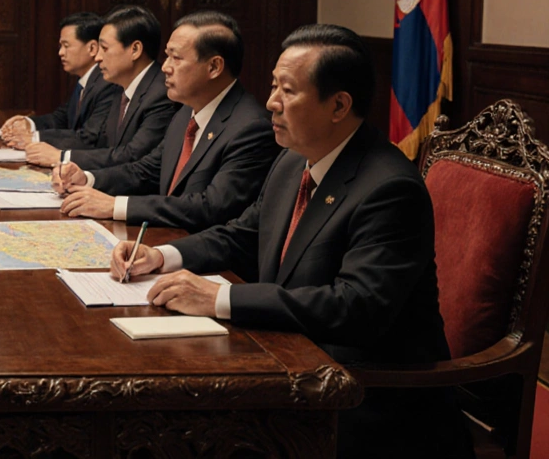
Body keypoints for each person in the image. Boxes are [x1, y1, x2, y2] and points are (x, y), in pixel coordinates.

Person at [111, 24, 471, 459]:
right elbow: (242, 233)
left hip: (367, 398)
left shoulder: (389, 188)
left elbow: (355, 306)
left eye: (287, 90)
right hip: (292, 362)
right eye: (272, 86)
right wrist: (161, 255)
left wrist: (220, 298)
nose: (270, 103)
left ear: (339, 105)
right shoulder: (292, 160)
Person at [52, 11, 278, 234]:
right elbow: (149, 169)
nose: (165, 67)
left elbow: (210, 207)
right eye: (167, 55)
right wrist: (88, 178)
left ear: (214, 67)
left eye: (176, 58)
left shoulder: (251, 128)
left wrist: (115, 206)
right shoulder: (186, 111)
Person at [26, 5, 176, 169]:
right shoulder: (121, 86)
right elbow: (102, 142)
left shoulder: (162, 93)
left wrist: (63, 157)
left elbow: (133, 155)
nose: (97, 58)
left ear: (135, 49)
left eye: (104, 48)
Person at [1, 12, 119, 151]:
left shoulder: (107, 83)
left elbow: (91, 137)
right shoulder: (86, 80)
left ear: (92, 48)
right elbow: (62, 118)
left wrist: (34, 138)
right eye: (60, 46)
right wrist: (28, 123)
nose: (61, 53)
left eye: (66, 45)